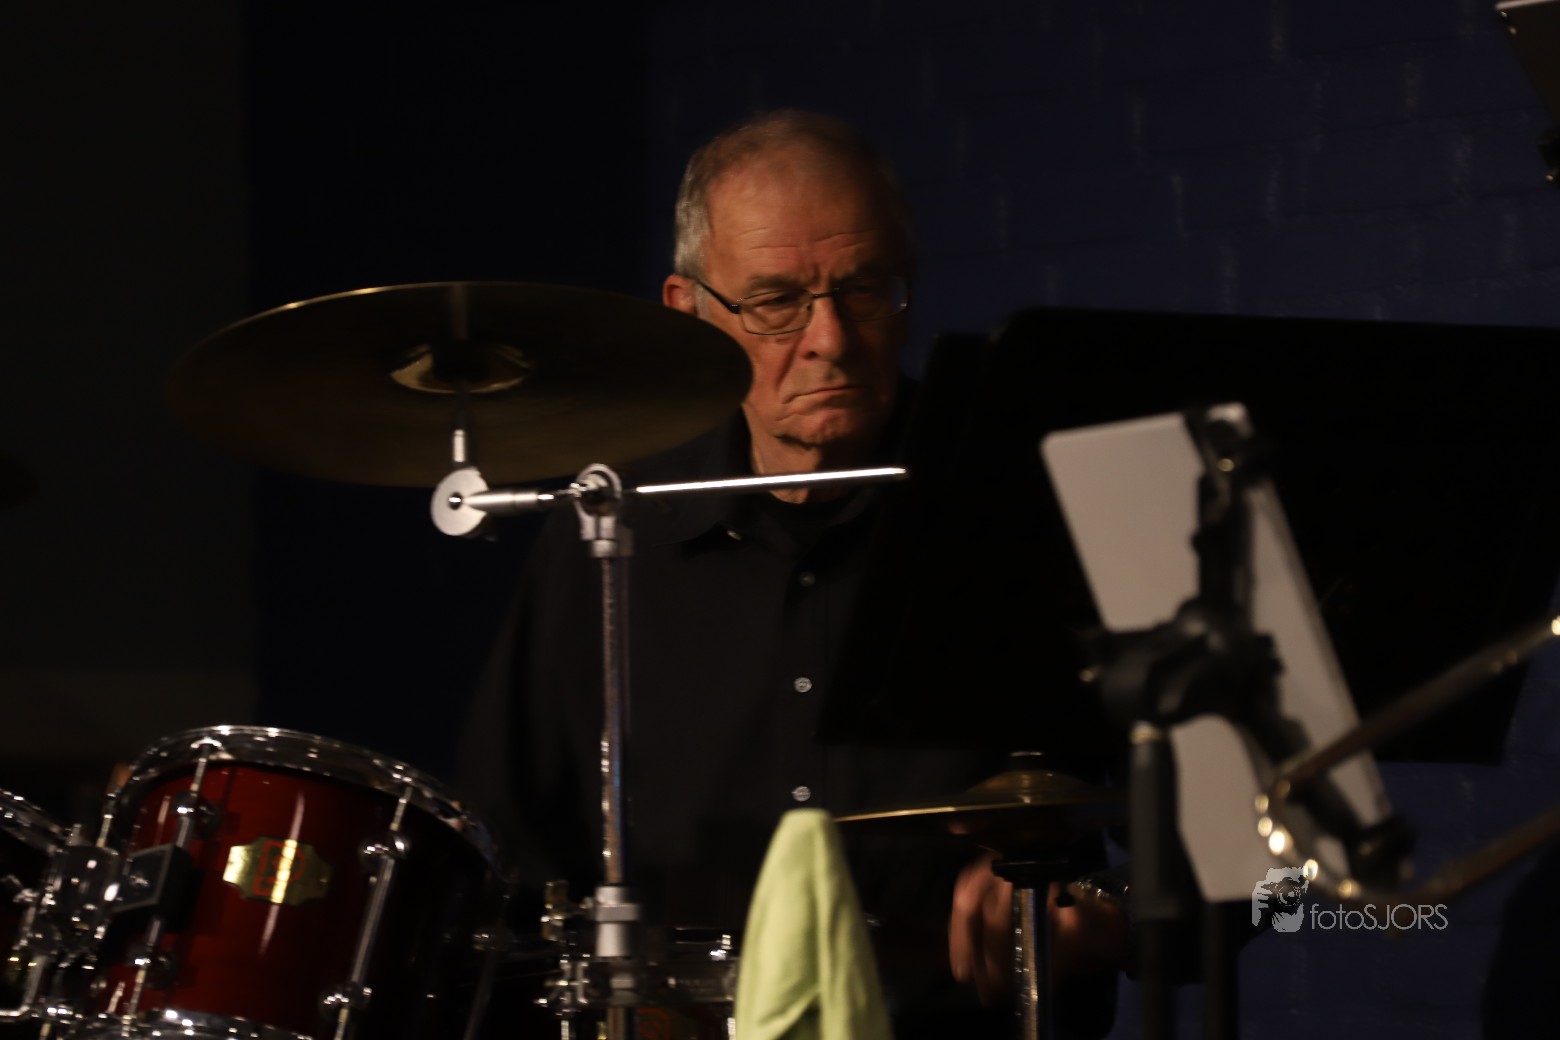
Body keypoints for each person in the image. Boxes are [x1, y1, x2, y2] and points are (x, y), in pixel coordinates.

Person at [472, 109, 1120, 1035]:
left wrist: (1094, 901)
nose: (831, 340)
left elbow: (1251, 869)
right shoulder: (611, 528)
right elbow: (503, 856)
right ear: (688, 312)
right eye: (776, 302)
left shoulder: (1028, 502)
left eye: (864, 290)